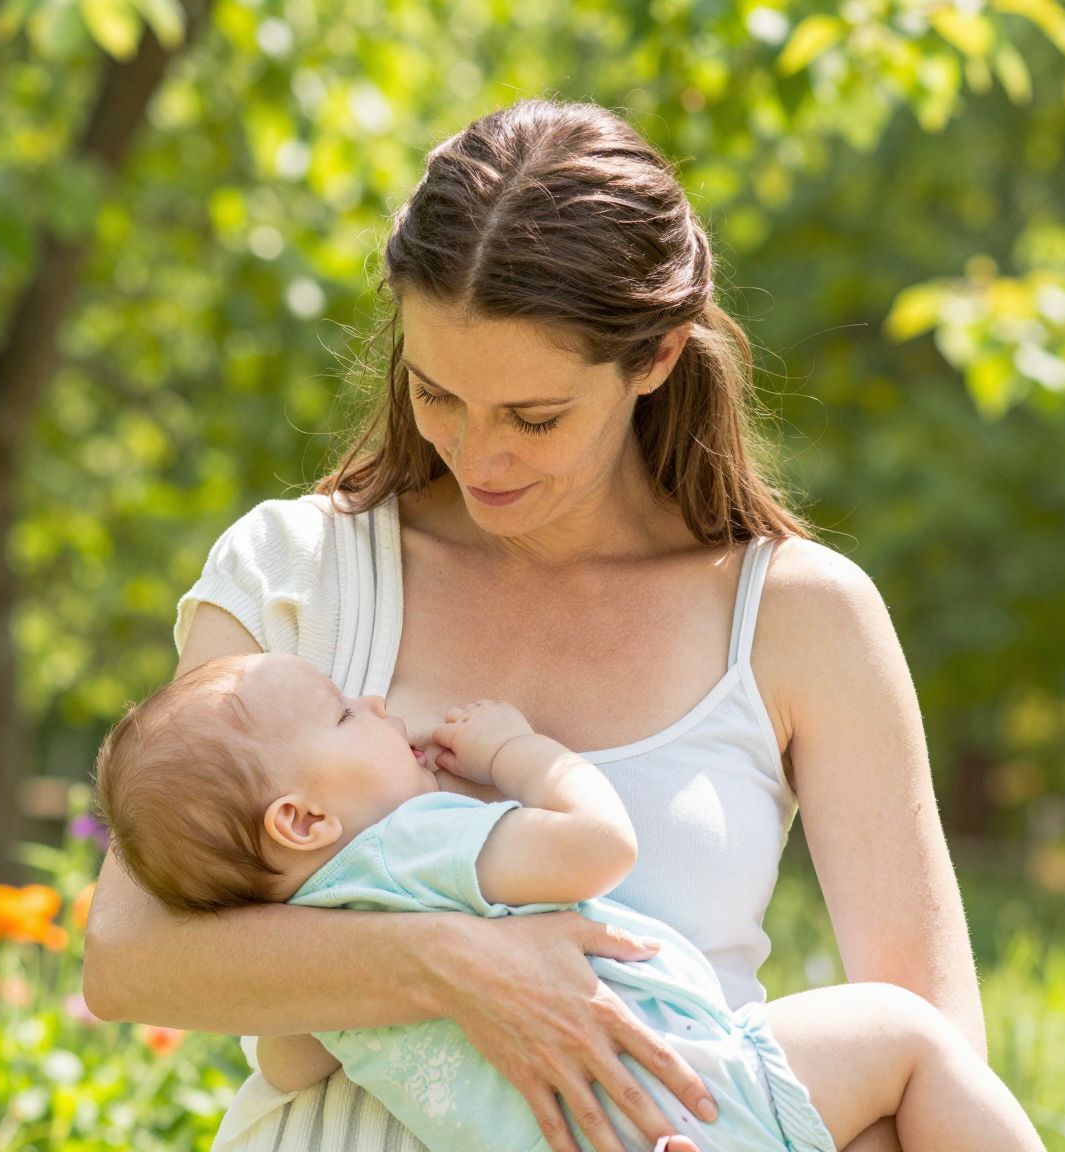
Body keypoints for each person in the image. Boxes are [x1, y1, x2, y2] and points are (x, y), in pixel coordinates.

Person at [81, 98, 996, 1152]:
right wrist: (456, 968)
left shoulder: (797, 618)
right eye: (436, 394)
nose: (477, 457)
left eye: (534, 417)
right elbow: (128, 958)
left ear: (653, 358)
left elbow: (930, 1057)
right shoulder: (301, 570)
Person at [92, 652, 1046, 1152]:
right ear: (302, 820)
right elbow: (600, 846)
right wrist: (516, 753)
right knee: (907, 1038)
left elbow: (288, 1066)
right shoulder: (416, 848)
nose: (377, 707)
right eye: (347, 714)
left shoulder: (312, 969)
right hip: (699, 1094)